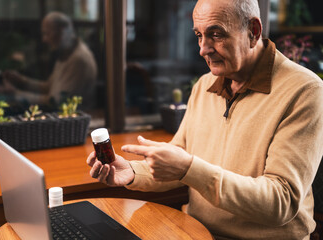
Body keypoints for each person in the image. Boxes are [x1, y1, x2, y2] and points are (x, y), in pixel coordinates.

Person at [87, 0, 323, 239]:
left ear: (253, 31)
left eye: (216, 34)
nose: (203, 48)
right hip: (195, 232)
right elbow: (180, 159)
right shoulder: (204, 85)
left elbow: (281, 201)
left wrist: (189, 168)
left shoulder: (305, 91)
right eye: (199, 35)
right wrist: (132, 171)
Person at [0, 12, 97, 110]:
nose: (44, 39)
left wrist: (15, 93)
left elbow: (56, 101)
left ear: (63, 31)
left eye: (47, 33)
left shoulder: (79, 60)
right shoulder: (66, 53)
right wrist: (22, 81)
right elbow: (49, 87)